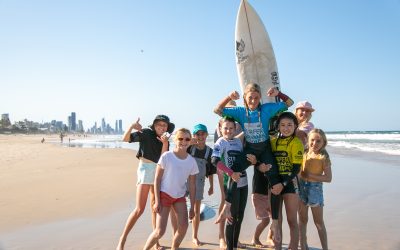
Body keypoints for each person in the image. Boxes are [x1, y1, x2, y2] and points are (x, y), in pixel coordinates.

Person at [213, 83, 294, 245]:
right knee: (234, 171)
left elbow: (289, 103)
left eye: (257, 97)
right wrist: (229, 97)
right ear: (245, 98)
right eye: (250, 97)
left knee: (275, 181)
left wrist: (279, 93)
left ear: (260, 98)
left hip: (264, 149)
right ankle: (227, 206)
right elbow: (217, 110)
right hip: (249, 149)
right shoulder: (241, 112)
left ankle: (276, 223)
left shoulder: (266, 109)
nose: (254, 100)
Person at [117, 115, 174, 250]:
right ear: (154, 125)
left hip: (158, 171)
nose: (161, 127)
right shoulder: (146, 133)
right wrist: (131, 126)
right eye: (159, 124)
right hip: (146, 169)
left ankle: (156, 242)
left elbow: (163, 159)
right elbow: (125, 139)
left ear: (167, 128)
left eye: (164, 125)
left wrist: (165, 143)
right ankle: (122, 238)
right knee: (139, 209)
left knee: (155, 207)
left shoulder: (165, 139)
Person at [143, 128, 199, 250]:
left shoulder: (191, 162)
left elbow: (192, 185)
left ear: (190, 141)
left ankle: (174, 247)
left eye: (187, 139)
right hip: (164, 195)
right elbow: (157, 179)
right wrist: (157, 201)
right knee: (159, 231)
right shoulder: (166, 156)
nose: (184, 141)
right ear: (175, 140)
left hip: (179, 197)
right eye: (180, 138)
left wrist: (193, 207)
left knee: (184, 226)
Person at [211, 117, 257, 250]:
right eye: (225, 128)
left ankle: (235, 245)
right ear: (220, 129)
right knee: (231, 217)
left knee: (240, 216)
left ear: (236, 129)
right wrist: (230, 173)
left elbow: (245, 160)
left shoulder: (238, 141)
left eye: (231, 128)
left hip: (243, 183)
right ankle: (229, 247)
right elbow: (214, 160)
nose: (228, 131)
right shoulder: (221, 142)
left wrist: (253, 161)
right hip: (231, 184)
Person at [270, 112, 304, 250]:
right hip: (274, 183)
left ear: (295, 126)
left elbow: (296, 168)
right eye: (283, 125)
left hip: (290, 183)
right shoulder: (272, 143)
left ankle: (294, 247)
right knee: (277, 221)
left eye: (290, 125)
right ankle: (277, 247)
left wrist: (283, 184)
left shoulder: (297, 143)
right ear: (278, 127)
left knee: (291, 220)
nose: (286, 128)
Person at [213, 100, 243, 249]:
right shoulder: (221, 127)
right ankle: (221, 237)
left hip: (236, 173)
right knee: (225, 200)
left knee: (235, 205)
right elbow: (216, 158)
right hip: (223, 170)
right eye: (228, 109)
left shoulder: (236, 126)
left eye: (233, 108)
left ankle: (233, 238)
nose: (230, 111)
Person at [298, 129, 332, 250]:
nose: (315, 143)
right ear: (308, 140)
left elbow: (328, 178)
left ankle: (325, 248)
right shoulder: (304, 152)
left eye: (318, 141)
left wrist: (309, 175)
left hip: (315, 189)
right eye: (312, 140)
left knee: (318, 222)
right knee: (302, 220)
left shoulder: (323, 157)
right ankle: (303, 246)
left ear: (323, 143)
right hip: (301, 187)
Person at [187, 124, 216, 246]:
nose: (200, 136)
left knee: (196, 210)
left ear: (206, 135)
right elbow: (178, 152)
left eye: (202, 134)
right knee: (180, 207)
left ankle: (194, 236)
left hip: (199, 183)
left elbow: (210, 171)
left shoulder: (210, 152)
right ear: (194, 136)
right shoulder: (189, 148)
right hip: (184, 180)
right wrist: (188, 142)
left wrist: (211, 186)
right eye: (197, 134)